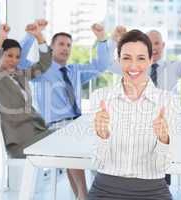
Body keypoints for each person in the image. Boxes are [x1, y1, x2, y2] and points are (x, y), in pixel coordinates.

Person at [18, 21, 111, 200]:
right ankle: (85, 195)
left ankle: (87, 195)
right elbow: (20, 62)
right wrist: (30, 35)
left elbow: (101, 66)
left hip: (76, 125)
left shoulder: (74, 70)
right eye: (61, 44)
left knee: (105, 139)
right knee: (74, 141)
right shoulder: (41, 70)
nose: (65, 48)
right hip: (52, 129)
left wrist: (101, 40)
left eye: (69, 45)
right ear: (51, 48)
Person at [108, 21, 181, 185]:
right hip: (136, 128)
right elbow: (107, 64)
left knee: (159, 174)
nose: (155, 47)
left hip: (164, 129)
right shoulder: (134, 68)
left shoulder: (174, 67)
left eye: (158, 43)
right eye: (151, 43)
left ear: (164, 45)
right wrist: (113, 40)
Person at [87, 29, 178, 200]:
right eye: (127, 58)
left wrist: (163, 139)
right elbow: (98, 163)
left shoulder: (167, 101)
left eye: (141, 58)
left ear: (151, 60)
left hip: (152, 190)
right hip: (105, 189)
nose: (134, 66)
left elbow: (163, 166)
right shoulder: (100, 98)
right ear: (118, 60)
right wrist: (102, 135)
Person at [0, 22, 52, 158]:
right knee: (65, 141)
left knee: (68, 140)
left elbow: (44, 64)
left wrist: (38, 36)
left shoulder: (19, 75)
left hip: (37, 132)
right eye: (9, 55)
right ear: (1, 55)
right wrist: (2, 37)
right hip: (20, 142)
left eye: (17, 57)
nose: (14, 60)